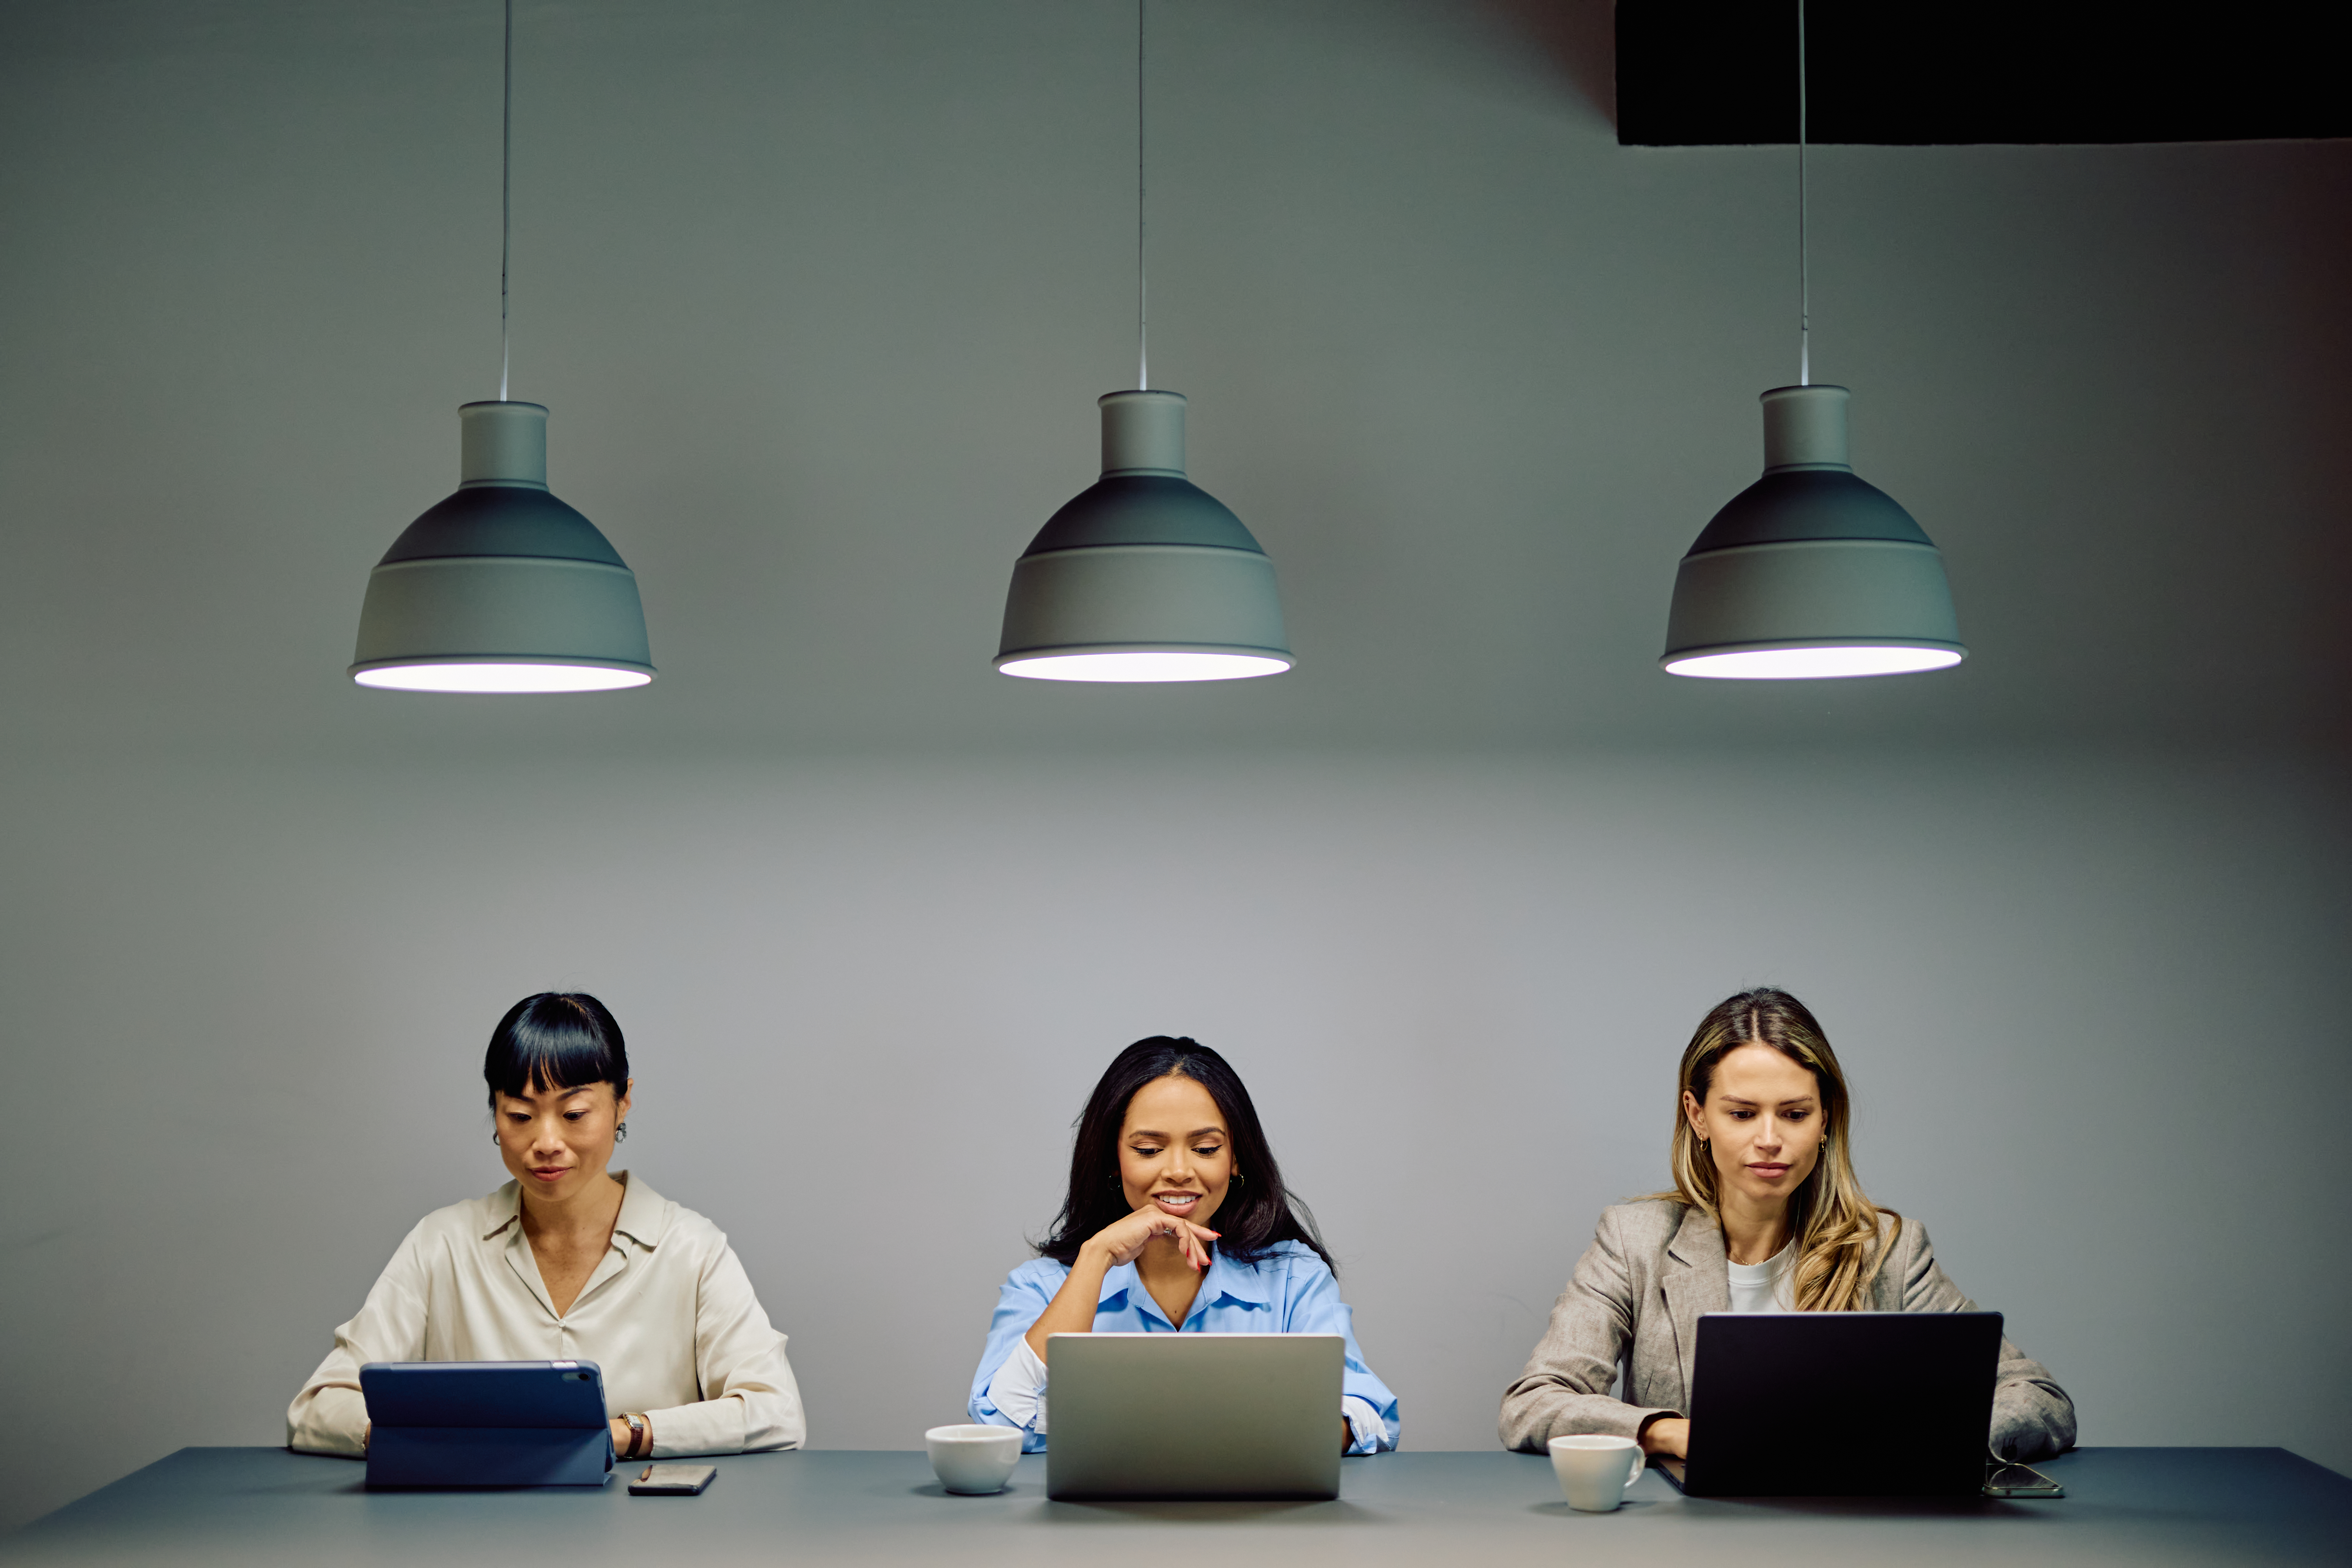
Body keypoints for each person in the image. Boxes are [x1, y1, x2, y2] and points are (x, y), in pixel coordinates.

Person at [1499, 987, 2073, 1463]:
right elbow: (1534, 1402)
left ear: (1826, 1120)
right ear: (1698, 1116)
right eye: (1743, 1113)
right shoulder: (1635, 1241)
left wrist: (1919, 1439)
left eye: (1795, 1114)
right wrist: (1670, 1432)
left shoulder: (1889, 1253)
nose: (1770, 1139)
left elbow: (2040, 1400)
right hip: (1689, 1538)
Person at [287, 993, 804, 1460]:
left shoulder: (693, 1250)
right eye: (519, 1115)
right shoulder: (441, 1244)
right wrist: (422, 1438)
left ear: (624, 1100)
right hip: (471, 1531)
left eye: (574, 1113)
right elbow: (317, 1410)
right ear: (495, 1112)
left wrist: (622, 1434)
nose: (547, 1141)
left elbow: (775, 1412)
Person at [969, 1036, 1399, 1454]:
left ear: (1236, 1160)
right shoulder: (1040, 1286)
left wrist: (1182, 1433)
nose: (1178, 1170)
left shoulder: (1294, 1278)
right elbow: (1000, 1422)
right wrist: (1095, 1258)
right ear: (1113, 1160)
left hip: (1259, 1520)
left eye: (1206, 1148)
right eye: (1149, 1148)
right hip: (1096, 1525)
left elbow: (1367, 1415)